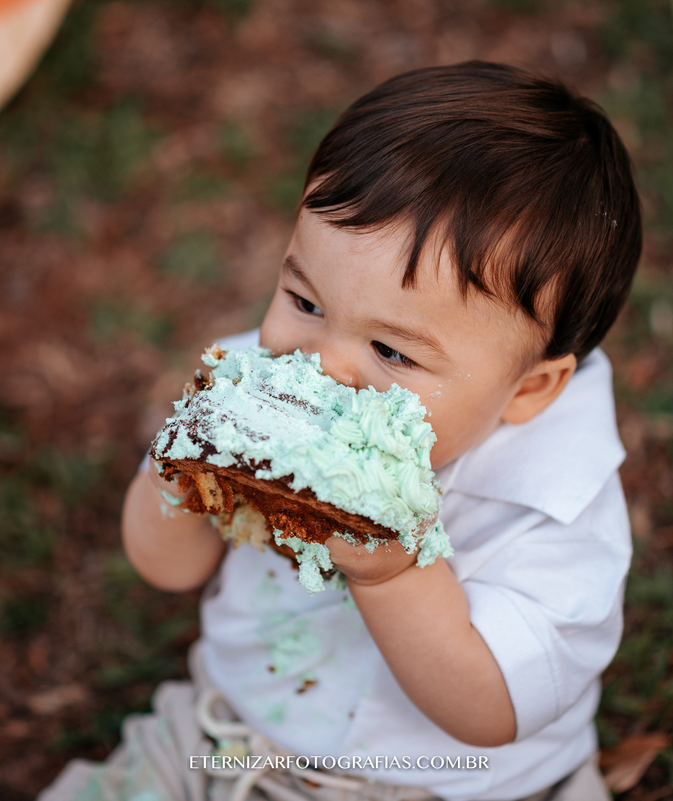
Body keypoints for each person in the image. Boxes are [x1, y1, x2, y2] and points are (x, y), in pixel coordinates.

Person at [40, 60, 641, 801]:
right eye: (304, 299)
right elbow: (167, 566)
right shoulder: (252, 377)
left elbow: (488, 711)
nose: (323, 366)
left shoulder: (557, 505)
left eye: (391, 351)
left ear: (528, 389)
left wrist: (392, 572)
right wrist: (185, 471)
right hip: (231, 741)